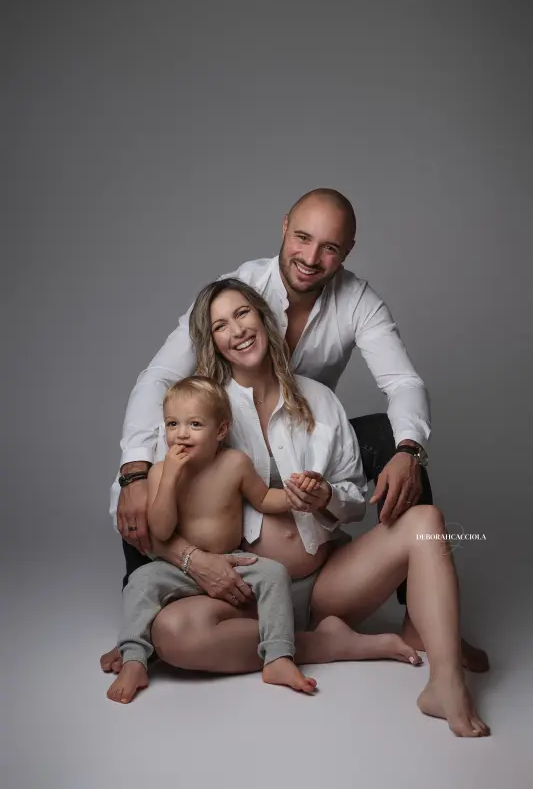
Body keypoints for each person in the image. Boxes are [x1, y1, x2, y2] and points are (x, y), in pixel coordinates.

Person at [101, 186, 487, 674]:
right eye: (302, 238)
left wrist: (409, 451)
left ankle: (426, 618)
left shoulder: (356, 302)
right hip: (233, 431)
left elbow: (403, 383)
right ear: (284, 227)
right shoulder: (239, 291)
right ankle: (139, 627)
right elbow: (159, 378)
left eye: (330, 247)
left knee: (399, 445)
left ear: (347, 251)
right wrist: (134, 474)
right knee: (152, 474)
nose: (310, 258)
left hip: (308, 429)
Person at [120, 279, 489, 736]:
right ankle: (323, 644)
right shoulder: (199, 411)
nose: (237, 330)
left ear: (264, 318)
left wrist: (326, 497)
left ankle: (447, 683)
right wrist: (195, 561)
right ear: (211, 341)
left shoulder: (318, 398)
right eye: (220, 325)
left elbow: (353, 501)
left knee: (426, 521)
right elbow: (153, 510)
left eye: (243, 314)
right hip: (246, 595)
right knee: (173, 634)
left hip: (329, 584)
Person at [107, 375, 334, 703]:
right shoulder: (159, 472)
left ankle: (278, 657)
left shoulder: (235, 464)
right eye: (172, 424)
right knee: (140, 581)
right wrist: (169, 479)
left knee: (274, 573)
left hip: (231, 561)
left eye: (195, 424)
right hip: (178, 568)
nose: (181, 434)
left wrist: (294, 497)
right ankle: (134, 660)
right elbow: (161, 531)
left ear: (221, 430)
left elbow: (263, 499)